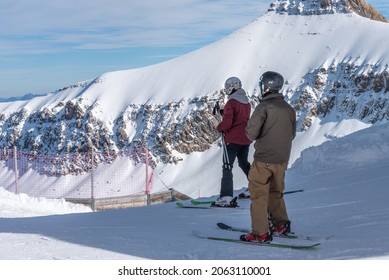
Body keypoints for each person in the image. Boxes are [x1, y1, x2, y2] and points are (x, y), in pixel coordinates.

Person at [241, 71, 296, 242]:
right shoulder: (289, 108)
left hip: (264, 159)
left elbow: (250, 134)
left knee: (259, 195)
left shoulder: (263, 107)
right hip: (282, 159)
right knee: (276, 192)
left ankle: (260, 233)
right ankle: (281, 224)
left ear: (266, 87)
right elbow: (292, 134)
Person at [212, 77, 252, 207]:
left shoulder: (231, 103)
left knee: (227, 166)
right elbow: (240, 117)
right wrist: (225, 113)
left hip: (233, 140)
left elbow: (228, 124)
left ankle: (226, 196)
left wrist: (219, 126)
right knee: (244, 163)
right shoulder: (246, 102)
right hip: (245, 138)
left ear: (231, 87)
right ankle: (256, 186)